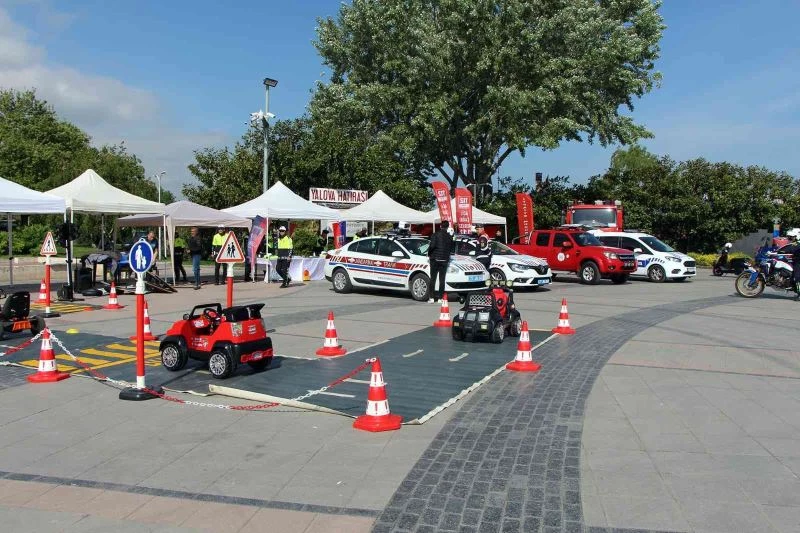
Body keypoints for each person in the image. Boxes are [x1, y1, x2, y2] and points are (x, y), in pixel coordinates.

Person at [428, 220, 453, 303]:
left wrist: (429, 254)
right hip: (445, 260)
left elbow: (432, 246)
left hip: (435, 259)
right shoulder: (449, 237)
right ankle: (440, 298)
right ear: (447, 227)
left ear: (440, 226)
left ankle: (431, 297)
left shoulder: (435, 235)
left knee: (433, 278)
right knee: (442, 279)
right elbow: (451, 249)